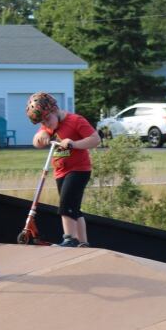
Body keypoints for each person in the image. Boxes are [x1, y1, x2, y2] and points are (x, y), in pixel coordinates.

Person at [26, 92, 101, 247]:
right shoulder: (48, 126)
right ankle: (83, 242)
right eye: (42, 122)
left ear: (55, 110)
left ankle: (69, 239)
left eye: (47, 119)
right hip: (60, 171)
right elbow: (36, 142)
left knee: (65, 205)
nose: (46, 124)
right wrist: (40, 136)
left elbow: (95, 139)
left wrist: (73, 143)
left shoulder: (75, 121)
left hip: (79, 169)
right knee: (74, 209)